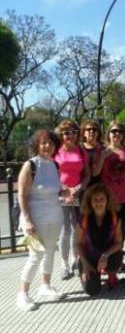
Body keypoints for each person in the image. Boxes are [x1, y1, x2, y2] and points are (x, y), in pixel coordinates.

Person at [16, 130, 68, 311]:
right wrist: (27, 219)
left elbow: (55, 189)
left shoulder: (54, 165)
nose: (47, 146)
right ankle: (22, 294)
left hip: (55, 216)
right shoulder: (30, 165)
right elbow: (22, 194)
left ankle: (45, 286)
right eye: (43, 143)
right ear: (36, 145)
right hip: (34, 219)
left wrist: (65, 192)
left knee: (50, 252)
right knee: (35, 255)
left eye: (51, 144)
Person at [54, 120, 90, 280]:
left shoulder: (81, 151)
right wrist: (65, 190)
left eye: (74, 132)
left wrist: (77, 189)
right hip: (61, 193)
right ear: (61, 135)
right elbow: (53, 173)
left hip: (78, 194)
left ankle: (76, 259)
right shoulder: (56, 151)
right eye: (67, 132)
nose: (71, 135)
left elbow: (87, 174)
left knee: (77, 229)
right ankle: (64, 263)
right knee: (65, 230)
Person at [76, 184, 123, 296]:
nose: (98, 203)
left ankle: (111, 273)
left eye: (102, 199)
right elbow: (78, 244)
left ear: (107, 201)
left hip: (106, 255)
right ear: (90, 202)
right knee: (91, 290)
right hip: (89, 258)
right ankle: (87, 271)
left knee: (116, 259)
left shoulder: (114, 217)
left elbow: (118, 243)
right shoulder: (84, 219)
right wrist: (85, 264)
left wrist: (105, 255)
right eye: (95, 200)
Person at [93, 121, 125, 242]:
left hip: (124, 196)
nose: (117, 134)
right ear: (109, 133)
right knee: (106, 227)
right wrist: (102, 157)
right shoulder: (101, 150)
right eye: (114, 131)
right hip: (106, 197)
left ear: (123, 135)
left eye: (120, 131)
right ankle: (105, 255)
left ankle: (118, 256)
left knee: (120, 226)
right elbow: (95, 173)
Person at [80, 120, 103, 186]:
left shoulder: (103, 149)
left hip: (98, 185)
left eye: (94, 129)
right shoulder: (79, 148)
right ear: (83, 132)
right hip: (81, 184)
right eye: (88, 129)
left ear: (98, 133)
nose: (91, 131)